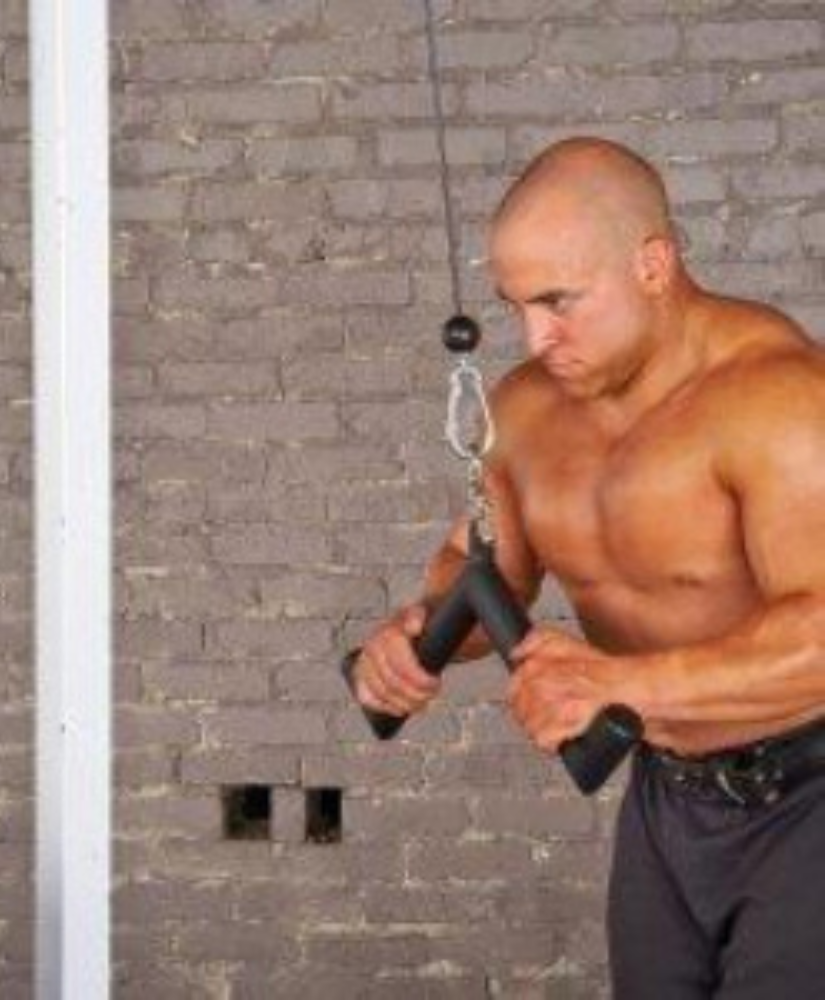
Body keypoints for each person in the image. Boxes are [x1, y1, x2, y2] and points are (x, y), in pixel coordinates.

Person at [345, 137, 825, 999]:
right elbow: (481, 564)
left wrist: (626, 686)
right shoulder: (527, 410)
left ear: (653, 264)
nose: (537, 337)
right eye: (516, 306)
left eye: (560, 300)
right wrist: (416, 634)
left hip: (809, 801)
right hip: (667, 800)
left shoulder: (780, 401)